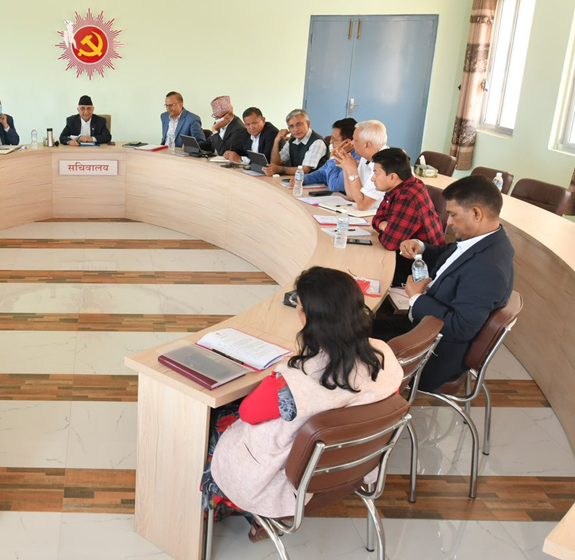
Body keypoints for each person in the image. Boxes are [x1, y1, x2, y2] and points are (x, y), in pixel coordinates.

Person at [204, 267, 402, 541]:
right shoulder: (384, 355)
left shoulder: (293, 382)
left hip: (292, 482)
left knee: (215, 420)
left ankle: (237, 511)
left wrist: (284, 371)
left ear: (308, 317)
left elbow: (247, 412)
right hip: (351, 466)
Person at [376, 176, 514, 392]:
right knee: (356, 327)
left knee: (348, 346)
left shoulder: (489, 269)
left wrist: (416, 298)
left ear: (476, 214)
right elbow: (451, 255)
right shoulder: (484, 240)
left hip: (432, 355)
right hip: (421, 326)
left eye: (453, 215)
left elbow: (460, 328)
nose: (448, 222)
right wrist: (421, 246)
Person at [369, 148, 445, 282]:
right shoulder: (400, 187)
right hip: (405, 256)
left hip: (420, 269)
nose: (372, 178)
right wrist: (384, 225)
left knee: (367, 269)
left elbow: (390, 242)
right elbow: (377, 219)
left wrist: (386, 227)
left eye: (376, 173)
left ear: (392, 177)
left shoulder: (408, 196)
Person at [335, 120, 389, 211]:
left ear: (367, 145)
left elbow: (362, 205)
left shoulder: (386, 163)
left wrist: (352, 171)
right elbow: (352, 197)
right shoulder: (365, 158)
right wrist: (346, 167)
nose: (352, 143)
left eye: (355, 140)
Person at [264, 109, 328, 176]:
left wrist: (280, 169)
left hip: (316, 181)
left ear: (308, 124)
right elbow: (275, 163)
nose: (295, 129)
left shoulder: (317, 142)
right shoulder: (292, 140)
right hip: (297, 179)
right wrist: (276, 141)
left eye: (299, 124)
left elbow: (305, 170)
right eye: (291, 126)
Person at [303, 118, 358, 193]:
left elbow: (334, 186)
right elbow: (322, 173)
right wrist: (302, 179)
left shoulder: (356, 159)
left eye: (334, 139)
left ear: (347, 142)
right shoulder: (341, 153)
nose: (331, 142)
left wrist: (332, 158)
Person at [198, 96, 245, 160]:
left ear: (230, 114)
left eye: (218, 117)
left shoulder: (239, 129)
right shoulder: (218, 123)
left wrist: (214, 131)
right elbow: (209, 143)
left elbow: (223, 152)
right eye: (215, 116)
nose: (216, 120)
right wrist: (194, 146)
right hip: (213, 159)